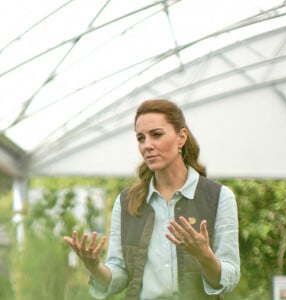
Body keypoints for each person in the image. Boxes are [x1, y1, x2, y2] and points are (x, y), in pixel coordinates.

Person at [63, 99, 240, 300]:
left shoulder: (219, 197)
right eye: (141, 138)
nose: (147, 145)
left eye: (156, 135)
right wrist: (94, 267)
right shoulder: (126, 202)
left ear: (181, 137)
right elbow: (119, 273)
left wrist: (205, 256)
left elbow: (230, 277)